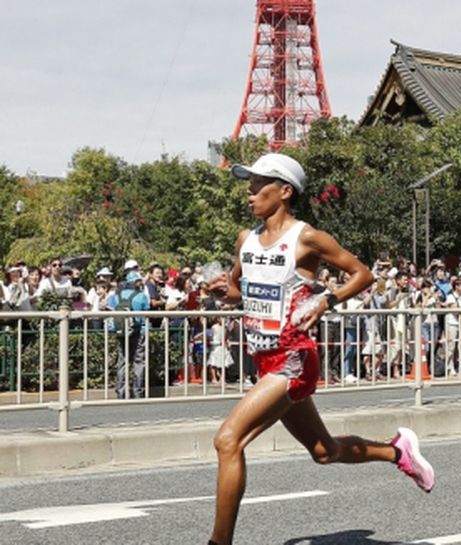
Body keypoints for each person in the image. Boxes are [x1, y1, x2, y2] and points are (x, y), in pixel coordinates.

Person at [206, 153, 434, 545]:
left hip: (294, 359)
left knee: (228, 440)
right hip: (265, 360)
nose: (249, 192)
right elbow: (240, 290)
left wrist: (324, 300)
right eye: (249, 183)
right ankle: (399, 452)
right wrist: (225, 292)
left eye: (259, 184)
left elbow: (363, 275)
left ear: (285, 191)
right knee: (325, 452)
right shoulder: (245, 239)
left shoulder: (306, 238)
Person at [108, 271, 150, 399]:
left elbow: (110, 309)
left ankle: (121, 392)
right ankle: (138, 391)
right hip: (139, 331)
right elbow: (146, 313)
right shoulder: (141, 296)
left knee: (123, 362)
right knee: (139, 362)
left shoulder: (116, 296)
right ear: (136, 282)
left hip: (121, 332)